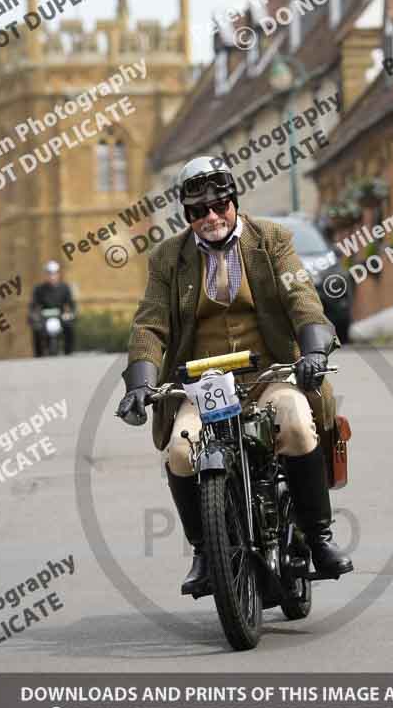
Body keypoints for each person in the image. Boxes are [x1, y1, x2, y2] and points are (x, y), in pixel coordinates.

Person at [117, 157, 353, 595]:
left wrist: (314, 350)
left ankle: (318, 538)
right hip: (201, 385)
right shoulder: (168, 258)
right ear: (186, 216)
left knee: (299, 425)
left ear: (233, 202)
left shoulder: (272, 239)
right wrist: (139, 383)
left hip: (270, 374)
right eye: (198, 211)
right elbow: (150, 324)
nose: (210, 217)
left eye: (219, 205)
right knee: (182, 454)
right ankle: (205, 552)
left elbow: (301, 296)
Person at [29, 260, 76, 357]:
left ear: (58, 274)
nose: (52, 276)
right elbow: (33, 305)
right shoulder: (39, 289)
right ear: (45, 275)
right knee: (36, 329)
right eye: (49, 273)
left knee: (69, 327)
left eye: (54, 273)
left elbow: (71, 304)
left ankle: (69, 352)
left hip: (60, 316)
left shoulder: (65, 288)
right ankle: (38, 354)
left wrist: (70, 313)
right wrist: (34, 315)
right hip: (44, 317)